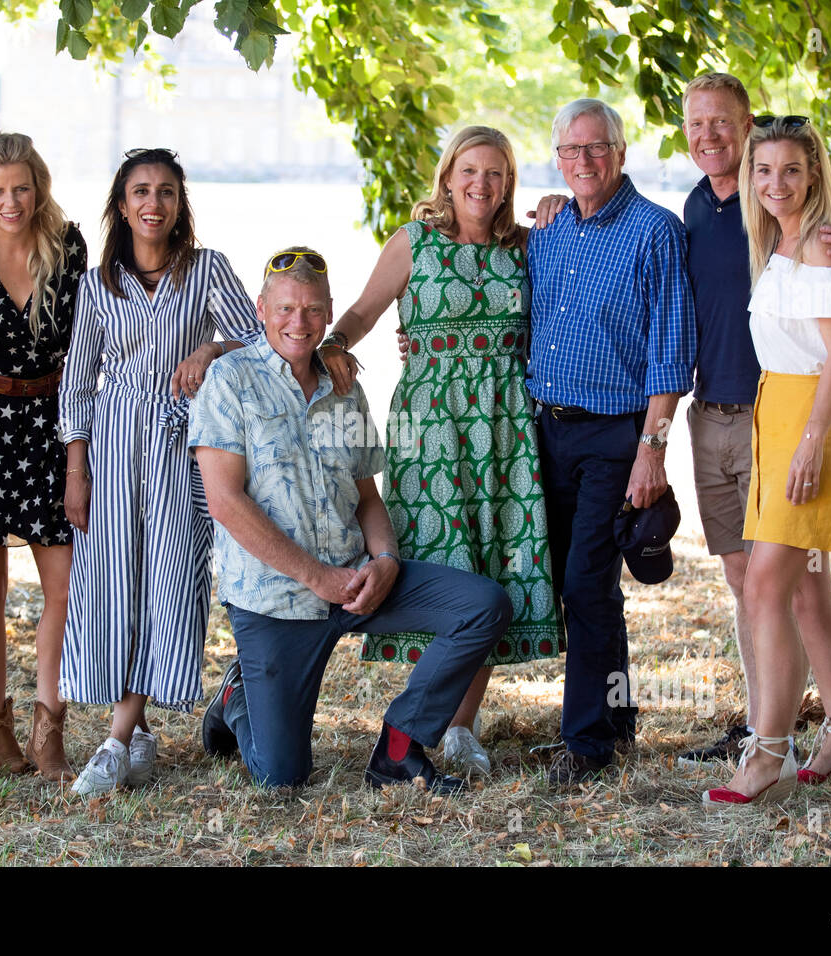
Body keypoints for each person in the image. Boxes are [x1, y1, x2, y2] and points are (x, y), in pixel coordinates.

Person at [190, 248, 512, 792]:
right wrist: (320, 579)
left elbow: (367, 496)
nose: (300, 322)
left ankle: (399, 749)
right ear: (261, 307)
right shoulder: (230, 379)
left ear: (329, 311)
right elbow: (224, 502)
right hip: (277, 600)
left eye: (314, 310)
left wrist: (384, 560)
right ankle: (237, 697)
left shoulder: (345, 388)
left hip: (357, 580)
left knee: (483, 606)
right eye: (286, 308)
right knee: (282, 779)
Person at [318, 126, 563, 777]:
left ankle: (460, 726)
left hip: (506, 431)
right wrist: (334, 346)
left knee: (492, 565)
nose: (482, 185)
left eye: (497, 174)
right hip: (430, 431)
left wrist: (563, 212)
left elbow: (566, 313)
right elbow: (367, 311)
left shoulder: (526, 248)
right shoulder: (415, 242)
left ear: (508, 184)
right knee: (437, 560)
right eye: (471, 171)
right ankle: (424, 714)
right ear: (448, 177)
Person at [673, 73, 831, 765]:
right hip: (736, 415)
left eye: (723, 123)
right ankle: (825, 729)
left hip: (797, 421)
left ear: (745, 129)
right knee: (777, 586)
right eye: (696, 123)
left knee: (779, 586)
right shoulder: (730, 218)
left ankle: (771, 743)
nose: (709, 135)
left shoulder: (807, 223)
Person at [58, 148, 262, 797]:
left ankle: (115, 742)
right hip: (113, 447)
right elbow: (76, 387)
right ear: (122, 204)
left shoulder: (206, 270)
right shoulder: (96, 286)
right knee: (116, 589)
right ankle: (134, 732)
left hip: (180, 446)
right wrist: (76, 469)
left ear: (180, 204)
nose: (154, 203)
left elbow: (261, 340)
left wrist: (208, 347)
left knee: (171, 581)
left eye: (166, 192)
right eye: (141, 191)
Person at [703, 116, 831, 806]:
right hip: (775, 420)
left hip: (813, 427)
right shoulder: (778, 238)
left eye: (791, 170)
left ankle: (768, 749)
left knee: (767, 585)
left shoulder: (830, 244)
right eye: (763, 169)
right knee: (806, 591)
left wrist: (807, 442)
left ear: (814, 174)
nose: (776, 183)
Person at [527, 99, 696, 786]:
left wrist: (650, 448)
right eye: (572, 151)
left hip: (614, 436)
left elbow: (671, 353)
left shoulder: (655, 232)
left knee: (584, 582)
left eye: (597, 148)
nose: (585, 161)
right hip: (547, 428)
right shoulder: (548, 229)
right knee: (586, 586)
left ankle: (588, 744)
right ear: (559, 160)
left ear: (621, 153)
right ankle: (618, 719)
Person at [0, 132, 87, 780]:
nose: (11, 201)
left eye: (21, 188)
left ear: (39, 186)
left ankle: (48, 728)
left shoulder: (68, 248)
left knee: (64, 587)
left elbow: (95, 343)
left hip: (50, 423)